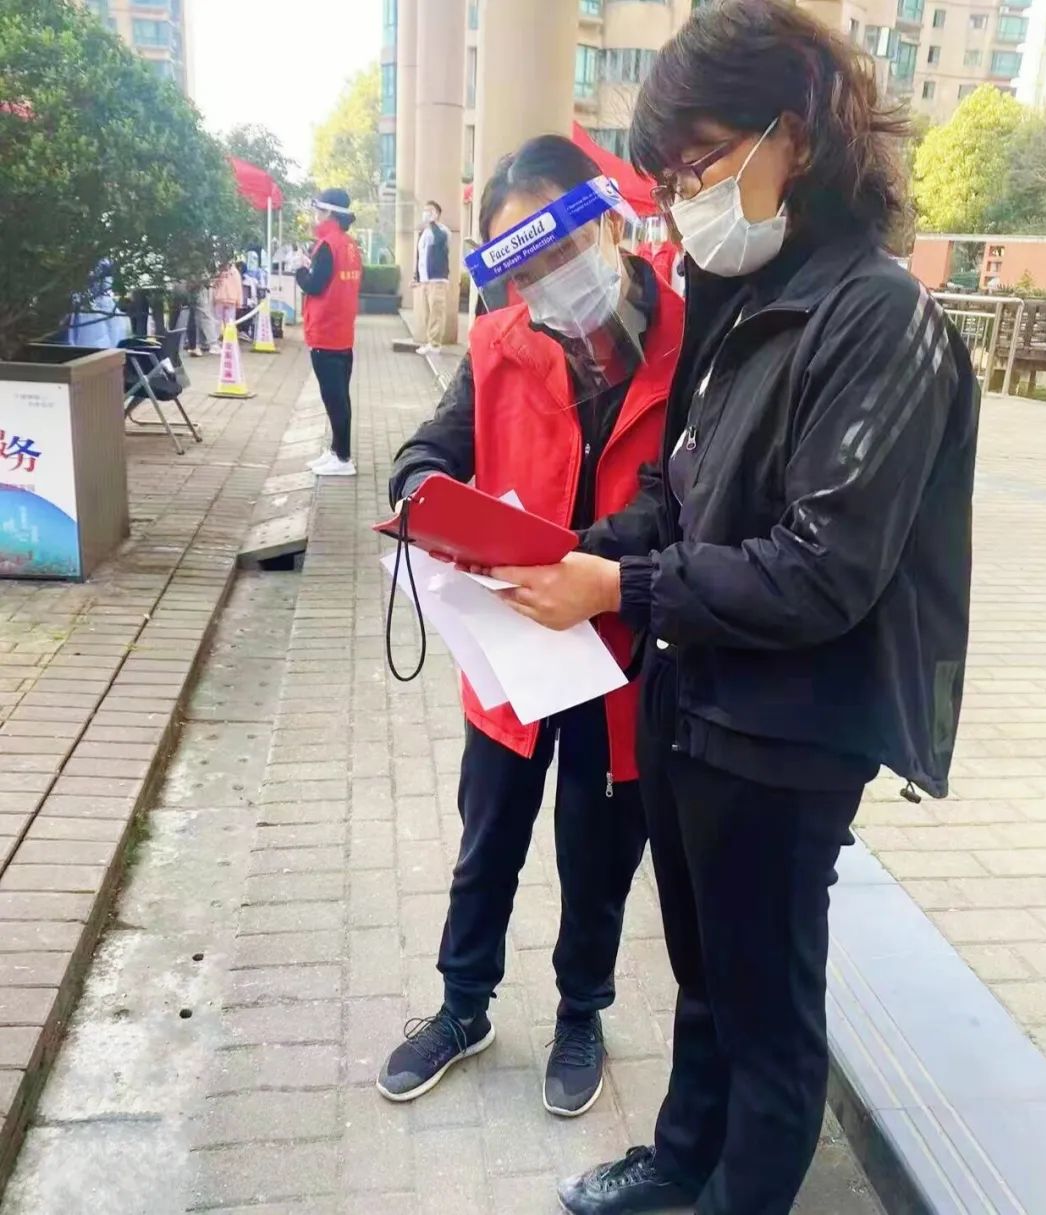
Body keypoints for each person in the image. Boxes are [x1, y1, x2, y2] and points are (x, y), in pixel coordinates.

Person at [484, 4, 979, 1212]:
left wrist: (621, 587)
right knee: (703, 971)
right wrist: (573, 552)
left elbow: (823, 569)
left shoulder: (878, 319)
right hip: (694, 696)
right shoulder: (739, 296)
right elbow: (678, 490)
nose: (680, 200)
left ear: (792, 136)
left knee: (766, 1008)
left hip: (789, 733)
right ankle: (680, 1161)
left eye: (697, 164)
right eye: (665, 179)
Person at [379, 135, 685, 1118]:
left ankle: (581, 1012)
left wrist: (584, 565)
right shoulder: (499, 343)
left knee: (599, 852)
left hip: (619, 640)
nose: (549, 276)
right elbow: (433, 446)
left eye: (561, 245)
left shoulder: (687, 339)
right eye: (523, 262)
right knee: (489, 837)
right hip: (513, 646)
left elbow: (683, 493)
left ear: (605, 219)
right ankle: (463, 1005)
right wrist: (422, 491)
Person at [296, 187, 363, 477]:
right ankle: (336, 451)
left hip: (325, 331)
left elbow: (314, 285)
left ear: (328, 213)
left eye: (318, 211)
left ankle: (343, 458)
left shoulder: (327, 245)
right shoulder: (350, 245)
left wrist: (300, 270)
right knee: (340, 397)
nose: (315, 216)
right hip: (342, 332)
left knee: (334, 399)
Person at [414, 199, 452, 356]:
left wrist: (434, 223)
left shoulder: (443, 231)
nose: (426, 213)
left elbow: (440, 241)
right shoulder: (425, 232)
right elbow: (421, 257)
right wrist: (416, 276)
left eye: (429, 210)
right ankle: (430, 342)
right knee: (427, 313)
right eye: (425, 210)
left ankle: (435, 344)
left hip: (437, 280)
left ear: (436, 214)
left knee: (436, 312)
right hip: (425, 280)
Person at [210, 261, 244, 353]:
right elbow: (213, 286)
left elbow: (238, 287)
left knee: (228, 322)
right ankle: (217, 342)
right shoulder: (229, 272)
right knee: (220, 322)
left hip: (228, 300)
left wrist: (239, 302)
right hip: (222, 300)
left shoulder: (233, 273)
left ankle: (228, 342)